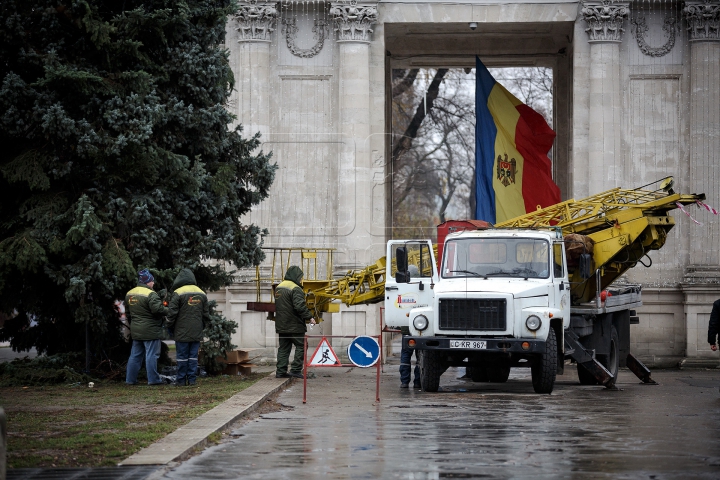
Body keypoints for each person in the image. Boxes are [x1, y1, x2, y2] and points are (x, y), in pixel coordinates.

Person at [125, 269, 169, 385]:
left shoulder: (130, 293)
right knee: (151, 355)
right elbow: (157, 310)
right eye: (152, 281)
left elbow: (128, 313)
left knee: (135, 356)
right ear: (147, 282)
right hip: (150, 330)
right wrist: (169, 311)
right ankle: (153, 380)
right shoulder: (151, 294)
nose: (153, 283)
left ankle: (130, 380)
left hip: (136, 330)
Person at [167, 268, 210, 386]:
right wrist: (202, 327)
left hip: (181, 332)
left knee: (182, 357)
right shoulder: (201, 293)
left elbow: (172, 314)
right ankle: (192, 380)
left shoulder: (178, 293)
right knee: (193, 357)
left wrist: (169, 326)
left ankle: (181, 380)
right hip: (196, 331)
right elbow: (206, 314)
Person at [275, 266, 316, 379]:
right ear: (296, 276)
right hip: (294, 325)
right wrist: (310, 317)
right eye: (300, 277)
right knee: (302, 345)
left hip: (281, 324)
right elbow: (299, 306)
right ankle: (296, 370)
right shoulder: (295, 288)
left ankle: (281, 371)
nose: (301, 280)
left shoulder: (279, 287)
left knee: (284, 347)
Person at [400, 265, 421, 389]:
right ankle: (418, 382)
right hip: (420, 331)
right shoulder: (422, 289)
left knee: (405, 356)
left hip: (406, 330)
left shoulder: (402, 290)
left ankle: (404, 382)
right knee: (420, 357)